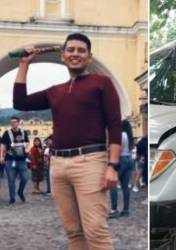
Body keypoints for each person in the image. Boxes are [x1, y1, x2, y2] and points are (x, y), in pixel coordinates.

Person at [13, 33, 121, 250]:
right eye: (70, 50)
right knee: (73, 232)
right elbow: (20, 101)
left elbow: (114, 124)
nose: (75, 54)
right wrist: (24, 64)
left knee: (96, 232)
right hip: (58, 165)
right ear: (63, 56)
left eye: (81, 51)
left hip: (90, 161)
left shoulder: (101, 83)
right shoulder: (56, 91)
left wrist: (112, 166)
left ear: (89, 57)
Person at [0, 116, 29, 205]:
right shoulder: (6, 133)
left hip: (21, 159)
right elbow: (3, 145)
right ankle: (12, 199)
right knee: (11, 181)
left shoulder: (23, 132)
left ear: (18, 122)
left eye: (14, 122)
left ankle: (20, 192)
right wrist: (1, 156)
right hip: (9, 159)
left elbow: (27, 142)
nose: (13, 124)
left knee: (25, 178)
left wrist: (26, 148)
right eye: (11, 122)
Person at [109, 120, 134, 218]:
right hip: (129, 159)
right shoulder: (129, 136)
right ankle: (126, 210)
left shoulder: (121, 135)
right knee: (125, 187)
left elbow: (117, 149)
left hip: (121, 159)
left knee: (113, 184)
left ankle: (114, 209)